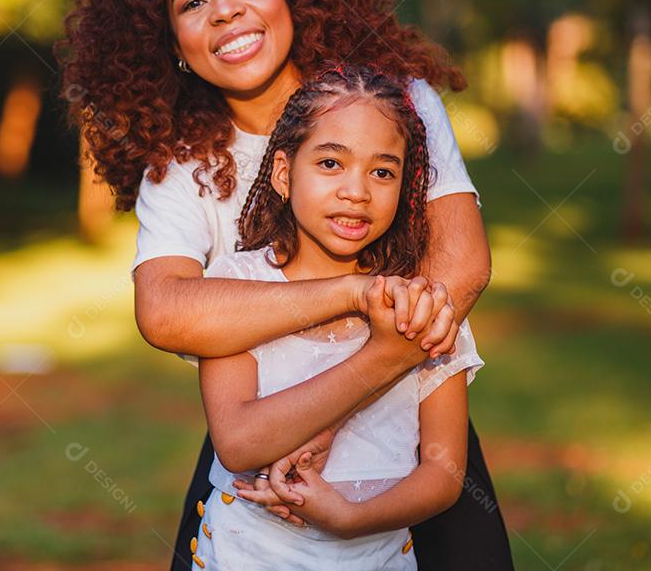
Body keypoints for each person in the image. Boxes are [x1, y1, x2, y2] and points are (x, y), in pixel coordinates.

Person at [56, 0, 513, 570]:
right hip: (264, 446)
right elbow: (168, 310)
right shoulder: (179, 162)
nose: (226, 11)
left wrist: (362, 379)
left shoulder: (397, 104)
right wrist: (352, 300)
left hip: (409, 434)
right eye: (191, 2)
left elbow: (461, 265)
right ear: (172, 39)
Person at [194, 63, 483, 570]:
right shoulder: (238, 286)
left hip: (379, 556)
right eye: (331, 163)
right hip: (249, 555)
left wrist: (351, 517)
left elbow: (444, 471)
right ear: (284, 174)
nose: (357, 191)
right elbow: (238, 443)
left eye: (382, 171)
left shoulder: (422, 303)